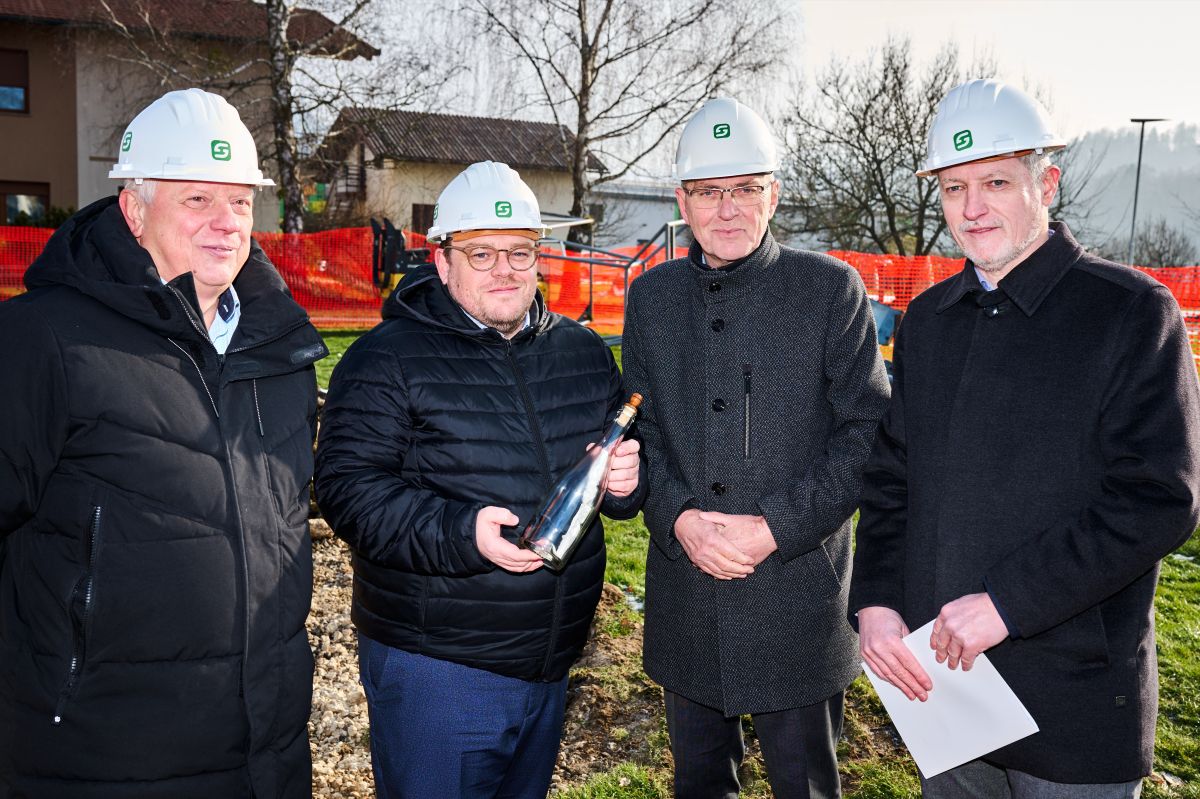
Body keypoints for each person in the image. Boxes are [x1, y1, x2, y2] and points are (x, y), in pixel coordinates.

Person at [850, 78, 1200, 798]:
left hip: (1074, 701)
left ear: (1047, 183)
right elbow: (891, 481)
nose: (972, 208)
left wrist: (1008, 602)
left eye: (997, 182)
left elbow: (1158, 499)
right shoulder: (930, 321)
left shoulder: (1131, 312)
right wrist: (876, 601)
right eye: (953, 188)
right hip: (944, 691)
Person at [0, 88, 326, 798]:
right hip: (101, 759)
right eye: (197, 199)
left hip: (265, 756)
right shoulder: (42, 339)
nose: (226, 222)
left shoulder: (282, 349)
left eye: (239, 201)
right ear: (133, 209)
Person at [314, 160, 645, 798]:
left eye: (520, 252)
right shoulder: (387, 358)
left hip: (551, 661)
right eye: (481, 253)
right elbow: (348, 489)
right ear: (443, 261)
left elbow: (622, 472)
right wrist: (461, 533)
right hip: (438, 667)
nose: (505, 270)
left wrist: (630, 482)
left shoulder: (581, 352)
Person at [622, 97, 890, 798]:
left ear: (773, 194)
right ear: (682, 201)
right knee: (699, 783)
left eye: (745, 188)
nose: (728, 208)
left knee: (805, 784)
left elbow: (865, 432)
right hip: (688, 593)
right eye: (709, 191)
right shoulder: (650, 298)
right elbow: (639, 428)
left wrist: (774, 526)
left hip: (795, 595)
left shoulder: (829, 290)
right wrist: (679, 518)